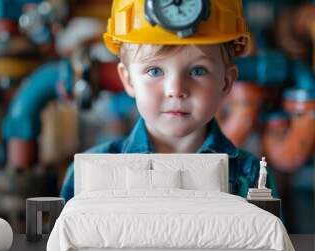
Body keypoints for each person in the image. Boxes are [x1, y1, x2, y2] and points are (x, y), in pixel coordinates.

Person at [60, 0, 277, 202]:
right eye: (155, 71)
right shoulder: (89, 174)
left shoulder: (252, 177)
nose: (176, 90)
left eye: (198, 70)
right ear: (128, 80)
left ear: (226, 82)